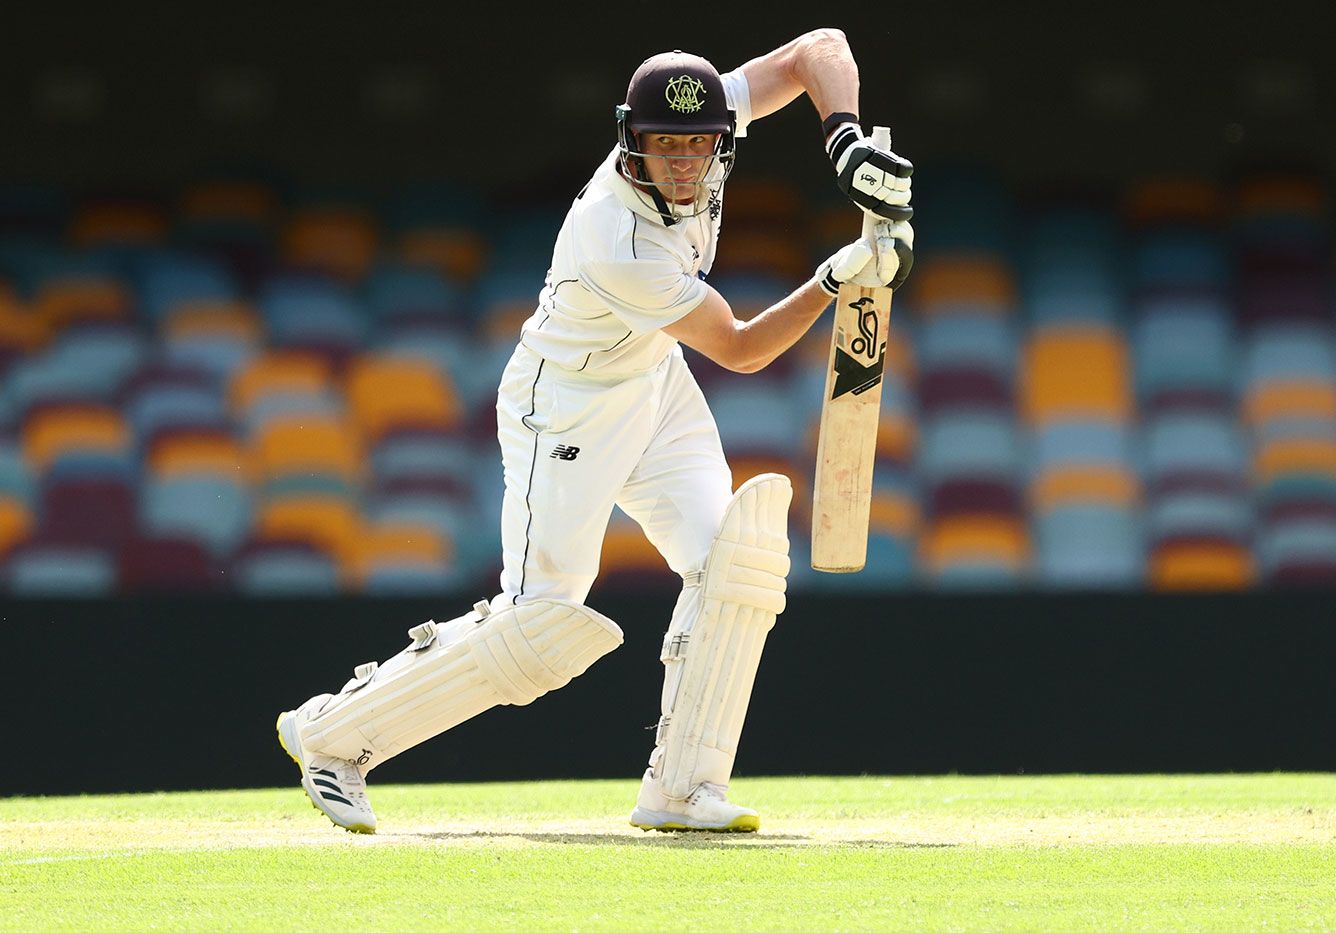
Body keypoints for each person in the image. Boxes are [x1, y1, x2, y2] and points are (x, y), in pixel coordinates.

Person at [276, 28, 914, 834]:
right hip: (567, 404)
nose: (685, 163)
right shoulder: (618, 237)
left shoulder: (704, 126)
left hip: (650, 378)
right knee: (541, 620)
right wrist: (837, 277)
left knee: (736, 562)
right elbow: (745, 348)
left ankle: (682, 789)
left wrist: (845, 139)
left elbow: (817, 49)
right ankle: (331, 734)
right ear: (631, 141)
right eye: (664, 147)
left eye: (700, 145)